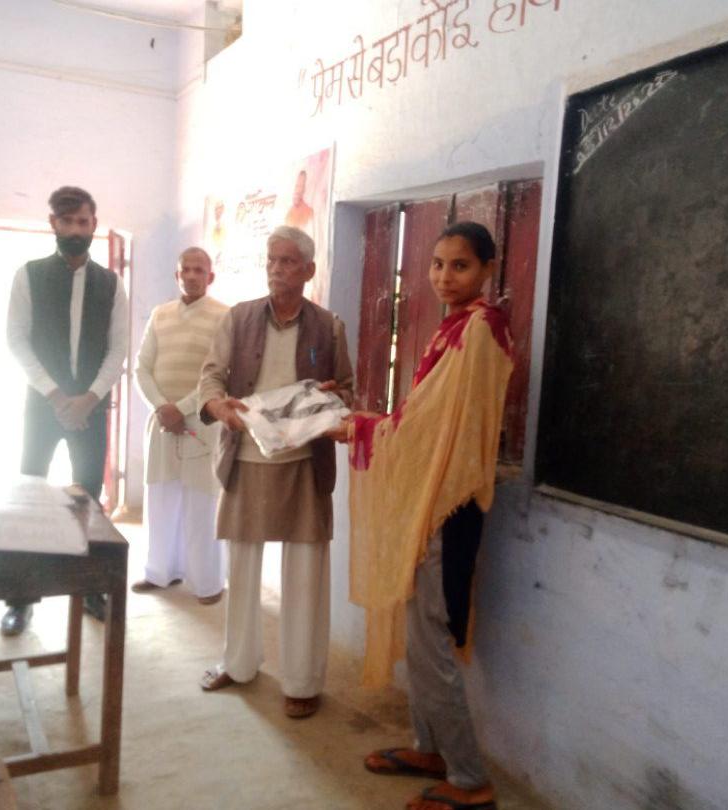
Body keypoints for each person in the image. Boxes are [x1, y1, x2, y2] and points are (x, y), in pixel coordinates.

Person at [337, 222, 513, 810]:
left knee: (431, 643)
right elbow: (424, 419)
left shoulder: (482, 329)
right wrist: (371, 423)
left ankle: (469, 779)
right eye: (437, 264)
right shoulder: (455, 325)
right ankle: (428, 748)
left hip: (446, 507)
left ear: (487, 269)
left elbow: (437, 430)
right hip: (426, 501)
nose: (443, 276)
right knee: (419, 640)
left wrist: (362, 429)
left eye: (459, 265)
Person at [197, 225, 353, 719]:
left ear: (309, 270)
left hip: (304, 465)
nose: (276, 269)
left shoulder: (329, 326)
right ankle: (238, 663)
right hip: (246, 458)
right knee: (241, 567)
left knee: (305, 573)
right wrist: (216, 405)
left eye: (287, 261)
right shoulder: (239, 318)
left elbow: (347, 390)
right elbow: (211, 375)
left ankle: (302, 682)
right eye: (271, 260)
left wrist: (331, 401)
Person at [5, 185, 129, 634]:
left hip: (91, 409)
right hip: (43, 406)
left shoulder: (111, 283)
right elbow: (16, 340)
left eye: (83, 222)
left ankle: (89, 589)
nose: (76, 230)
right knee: (31, 495)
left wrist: (89, 398)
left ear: (93, 225)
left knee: (90, 499)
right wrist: (57, 396)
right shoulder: (29, 275)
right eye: (67, 221)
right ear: (53, 224)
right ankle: (21, 598)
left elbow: (118, 349)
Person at [131, 247, 229, 604]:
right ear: (177, 275)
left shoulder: (224, 316)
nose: (191, 275)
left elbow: (221, 372)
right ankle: (160, 572)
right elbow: (141, 367)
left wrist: (183, 409)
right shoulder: (160, 315)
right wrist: (161, 407)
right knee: (160, 498)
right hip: (162, 423)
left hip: (201, 422)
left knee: (201, 503)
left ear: (210, 276)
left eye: (198, 270)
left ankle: (207, 583)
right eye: (185, 269)